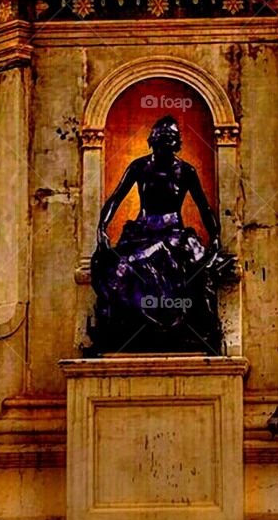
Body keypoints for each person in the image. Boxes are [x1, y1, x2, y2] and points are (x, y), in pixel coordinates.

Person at [89, 115, 235, 353]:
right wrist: (101, 229)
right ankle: (123, 330)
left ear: (176, 143)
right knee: (122, 264)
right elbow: (115, 199)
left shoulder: (186, 171)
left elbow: (203, 207)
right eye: (160, 138)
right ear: (152, 141)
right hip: (142, 231)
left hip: (174, 235)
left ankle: (177, 327)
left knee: (172, 264)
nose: (165, 143)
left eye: (170, 139)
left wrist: (216, 235)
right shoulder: (138, 167)